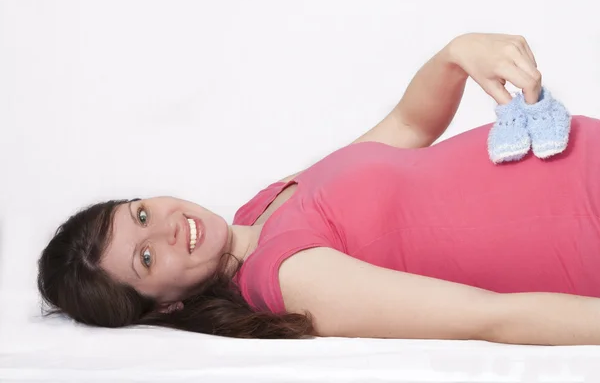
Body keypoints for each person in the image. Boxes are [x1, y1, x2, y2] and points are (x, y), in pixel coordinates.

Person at [37, 32, 600, 345]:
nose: (164, 228)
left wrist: (456, 54)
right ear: (166, 306)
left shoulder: (262, 207)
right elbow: (484, 316)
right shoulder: (282, 277)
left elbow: (408, 127)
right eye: (144, 256)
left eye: (139, 216)